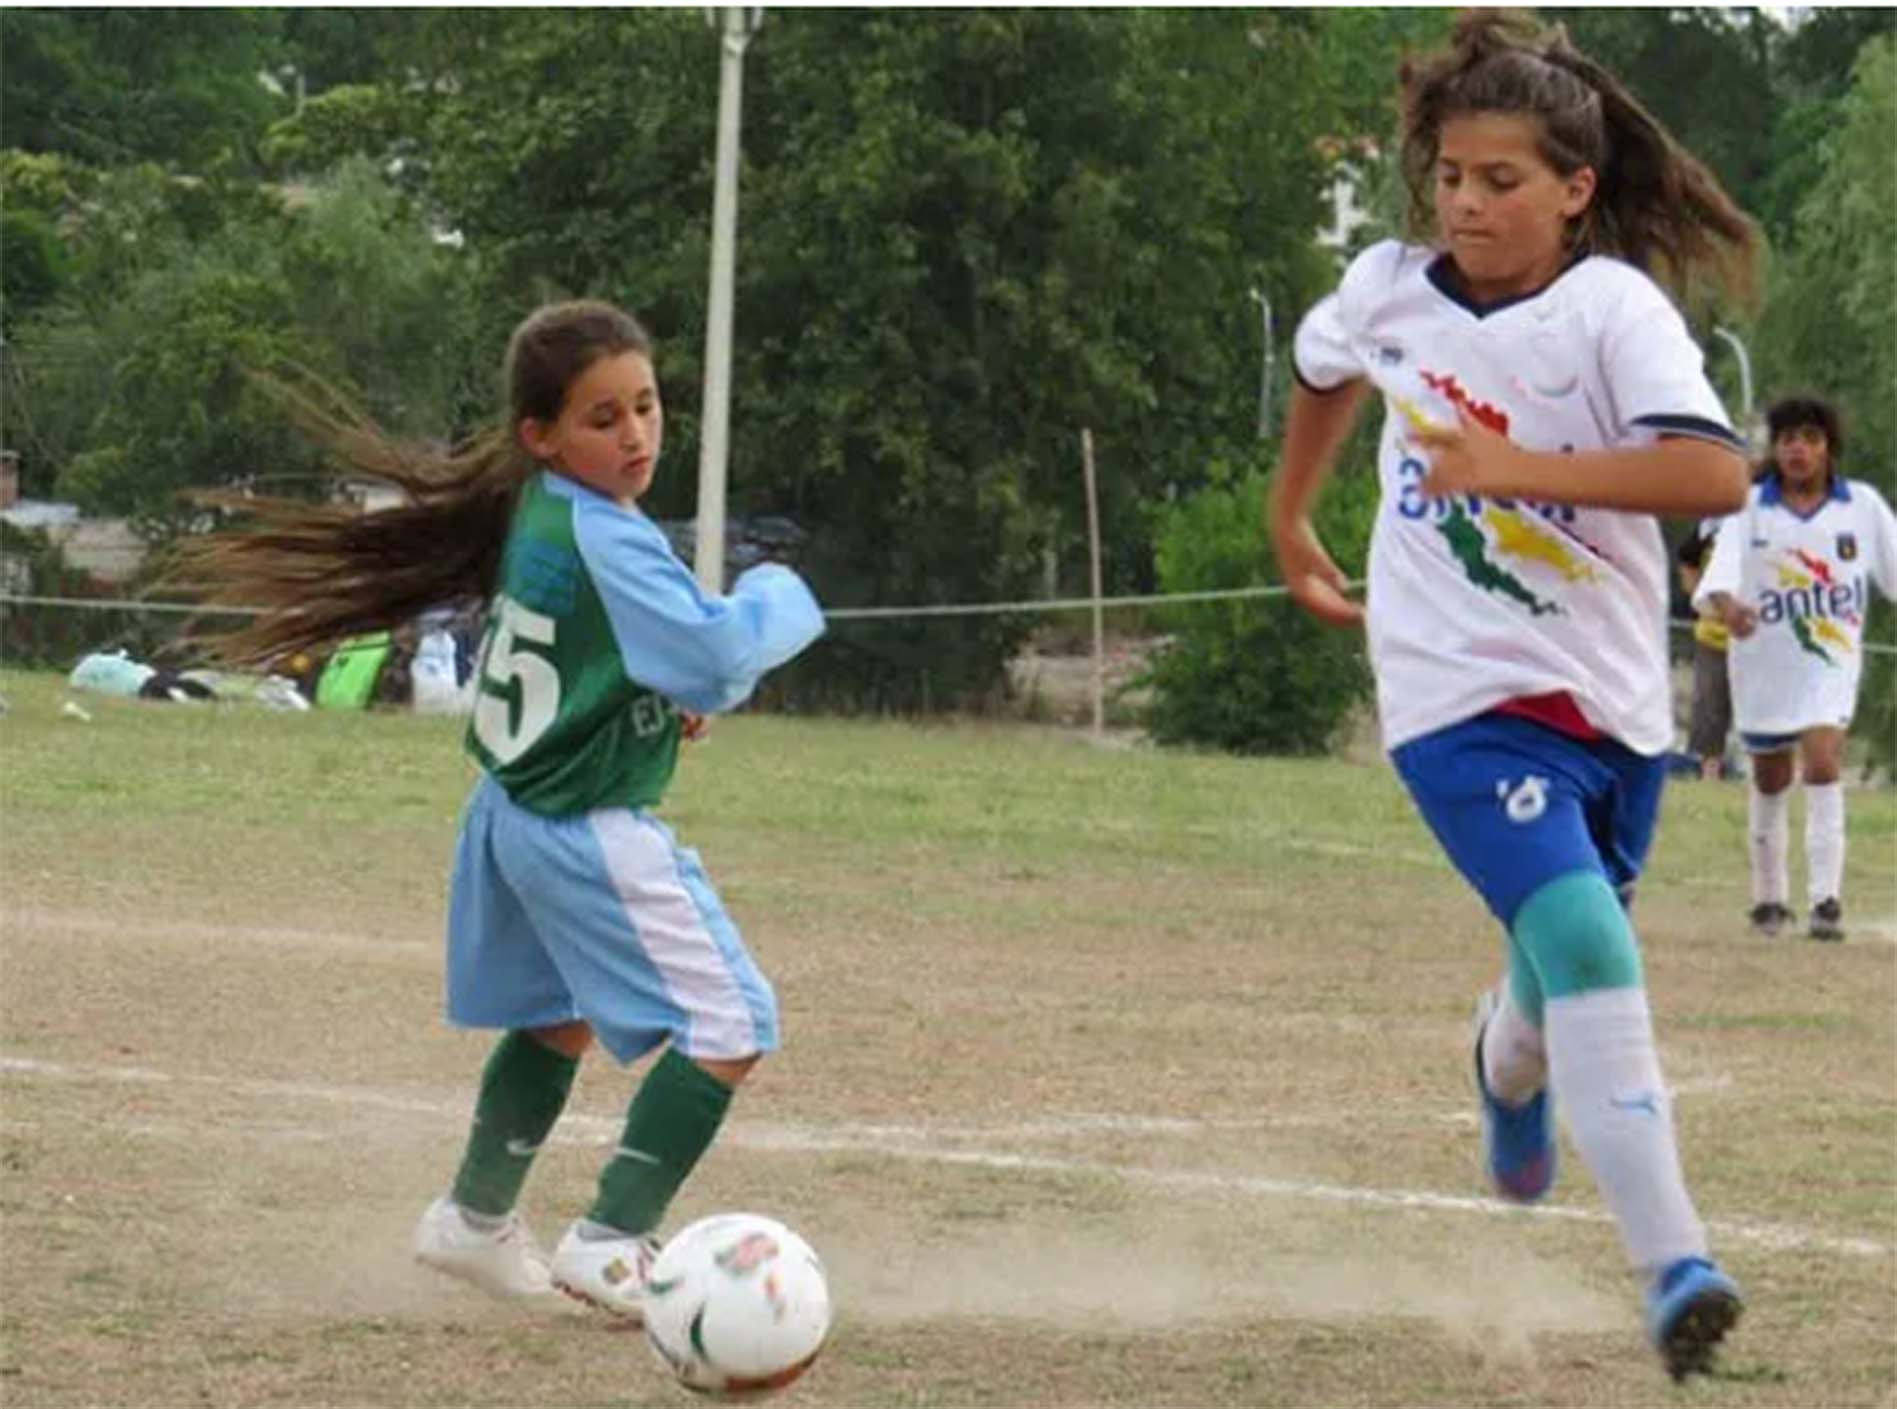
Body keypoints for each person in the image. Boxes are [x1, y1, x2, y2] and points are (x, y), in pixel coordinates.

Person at [1266, 11, 1758, 1382]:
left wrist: (1512, 471)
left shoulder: (1609, 312)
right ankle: (1676, 1270)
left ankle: (1502, 1062)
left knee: (1553, 987)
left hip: (1612, 706)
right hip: (1454, 698)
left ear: (1573, 192)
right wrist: (1291, 513)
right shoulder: (1383, 290)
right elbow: (1321, 373)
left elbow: (1711, 479)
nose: (1467, 207)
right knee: (1595, 945)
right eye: (1451, 179)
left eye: (1500, 183)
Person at [171, 300, 825, 1319]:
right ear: (542, 434)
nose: (636, 433)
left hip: (511, 805)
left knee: (554, 1016)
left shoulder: (538, 510)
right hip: (583, 823)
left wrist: (647, 703)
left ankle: (473, 1219)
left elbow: (592, 651)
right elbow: (718, 654)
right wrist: (779, 592)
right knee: (734, 1019)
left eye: (646, 406)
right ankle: (611, 1240)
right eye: (603, 417)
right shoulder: (605, 529)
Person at [1692, 395, 1897, 942]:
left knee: (1825, 761)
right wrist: (1730, 609)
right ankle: (1768, 900)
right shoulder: (1750, 507)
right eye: (1787, 439)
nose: (1798, 449)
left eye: (1809, 438)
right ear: (1776, 449)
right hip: (1765, 662)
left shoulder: (1863, 508)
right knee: (1771, 775)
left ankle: (1826, 901)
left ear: (1829, 447)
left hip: (1830, 661)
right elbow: (1715, 581)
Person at [1674, 520, 1734, 780]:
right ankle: (1707, 771)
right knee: (1710, 708)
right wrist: (1700, 597)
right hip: (1715, 637)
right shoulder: (1710, 526)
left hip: (1762, 639)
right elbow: (1687, 559)